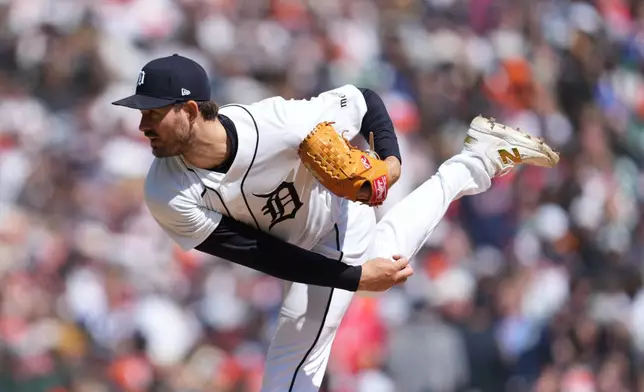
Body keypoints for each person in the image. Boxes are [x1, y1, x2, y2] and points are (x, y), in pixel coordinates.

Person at [112, 54, 559, 392]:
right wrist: (356, 277)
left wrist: (392, 164)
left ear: (190, 112)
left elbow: (364, 101)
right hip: (301, 248)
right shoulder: (166, 191)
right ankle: (476, 161)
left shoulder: (277, 123)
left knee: (293, 358)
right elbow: (260, 253)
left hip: (338, 219)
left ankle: (474, 163)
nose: (143, 125)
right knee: (378, 262)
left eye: (153, 112)